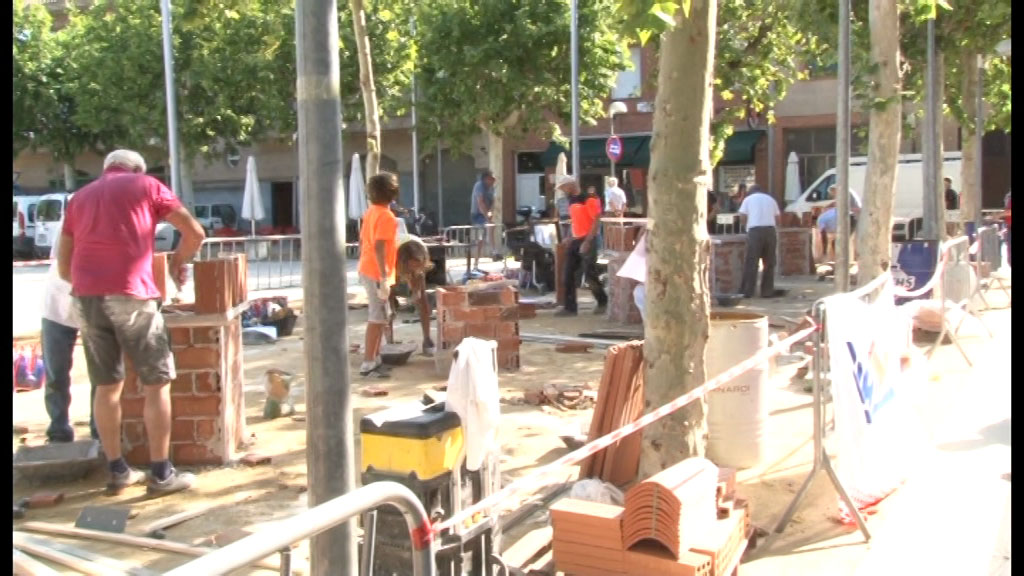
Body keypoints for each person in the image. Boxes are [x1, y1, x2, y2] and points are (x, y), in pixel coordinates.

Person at [58, 149, 206, 495]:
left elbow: (64, 267)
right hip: (132, 294)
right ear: (137, 169)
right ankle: (161, 473)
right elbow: (194, 232)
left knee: (107, 386)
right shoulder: (148, 185)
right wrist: (176, 262)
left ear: (106, 170)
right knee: (157, 382)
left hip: (86, 297)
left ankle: (118, 471)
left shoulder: (79, 198)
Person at [42, 225, 98, 444]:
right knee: (56, 374)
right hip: (57, 308)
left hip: (94, 308)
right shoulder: (69, 224)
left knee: (101, 376)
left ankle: (100, 431)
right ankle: (58, 430)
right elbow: (64, 265)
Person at [358, 172, 402, 379]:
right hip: (376, 272)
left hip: (369, 268)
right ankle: (368, 363)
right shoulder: (386, 216)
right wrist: (384, 277)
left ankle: (374, 360)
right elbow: (379, 246)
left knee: (381, 317)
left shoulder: (371, 212)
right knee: (376, 318)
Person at [554, 175, 608, 316]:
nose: (562, 190)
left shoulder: (590, 198)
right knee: (568, 274)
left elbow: (596, 221)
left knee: (590, 274)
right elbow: (577, 221)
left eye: (563, 187)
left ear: (571, 185)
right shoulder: (572, 200)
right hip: (577, 239)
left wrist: (588, 241)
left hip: (588, 239)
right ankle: (570, 308)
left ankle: (602, 301)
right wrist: (571, 237)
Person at [387, 231, 436, 356]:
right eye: (411, 267)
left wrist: (416, 293)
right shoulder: (392, 255)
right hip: (393, 263)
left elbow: (418, 283)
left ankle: (427, 339)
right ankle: (389, 342)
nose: (413, 269)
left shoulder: (421, 254)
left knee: (422, 300)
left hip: (411, 259)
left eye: (416, 266)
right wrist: (391, 305)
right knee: (388, 302)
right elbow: (389, 288)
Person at [737, 184, 782, 298]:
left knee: (752, 262)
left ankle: (748, 291)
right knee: (769, 262)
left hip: (755, 230)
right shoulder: (771, 200)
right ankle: (767, 291)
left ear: (750, 192)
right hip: (770, 230)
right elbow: (778, 218)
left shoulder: (748, 199)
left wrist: (745, 226)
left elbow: (742, 216)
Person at [470, 169, 498, 272]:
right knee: (480, 239)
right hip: (477, 214)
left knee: (490, 228)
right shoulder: (479, 186)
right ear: (486, 179)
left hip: (486, 213)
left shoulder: (492, 188)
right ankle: (493, 252)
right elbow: (480, 202)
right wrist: (487, 216)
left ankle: (493, 251)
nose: (494, 181)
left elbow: (493, 202)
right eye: (492, 179)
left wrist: (490, 213)